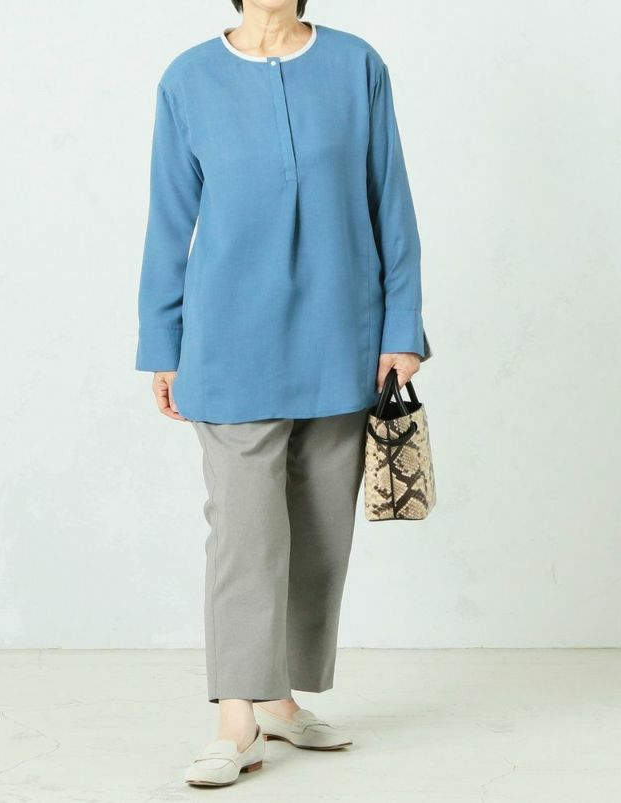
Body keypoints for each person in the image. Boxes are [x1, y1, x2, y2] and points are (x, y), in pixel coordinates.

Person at [135, 0, 432, 787]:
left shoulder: (356, 65)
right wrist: (162, 341)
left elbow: (391, 199)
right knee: (244, 531)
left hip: (342, 330)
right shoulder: (189, 79)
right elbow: (169, 218)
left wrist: (402, 325)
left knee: (321, 530)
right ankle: (237, 716)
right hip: (228, 340)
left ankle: (278, 698)